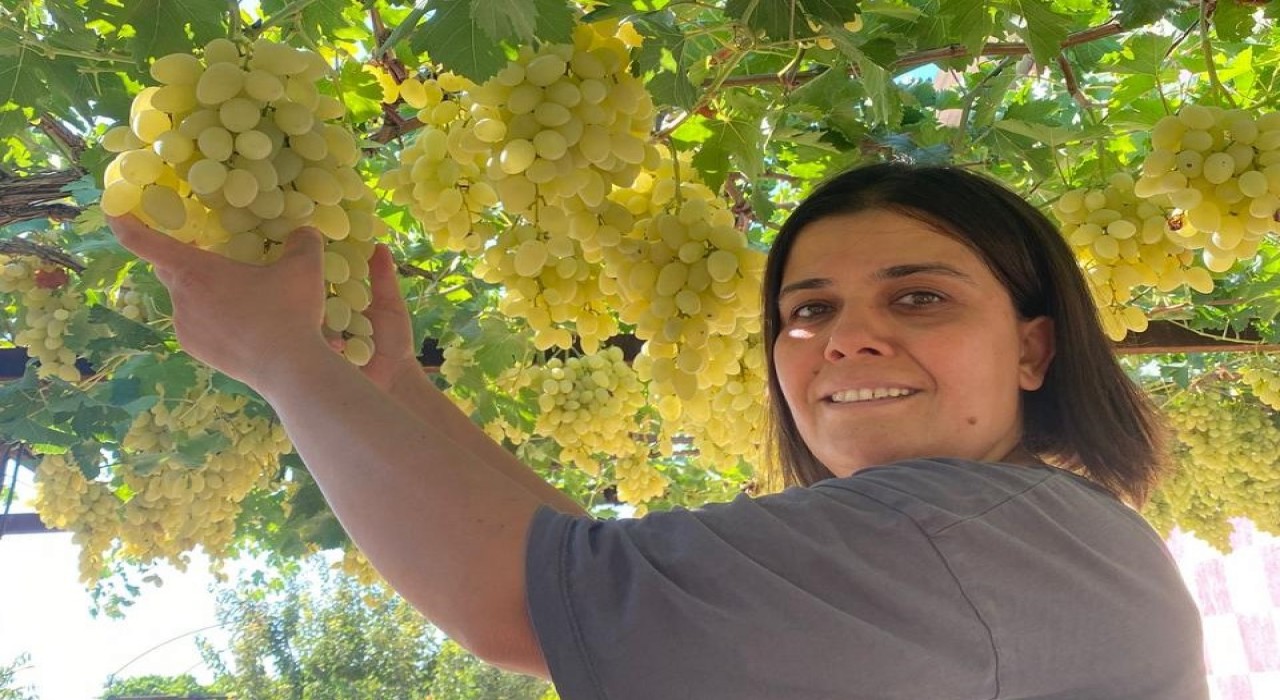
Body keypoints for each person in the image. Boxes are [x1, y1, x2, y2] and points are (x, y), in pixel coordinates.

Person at [109, 162, 1209, 699]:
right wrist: (396, 386)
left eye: (917, 297)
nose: (842, 340)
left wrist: (282, 361)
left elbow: (527, 608)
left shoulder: (967, 534)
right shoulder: (1014, 537)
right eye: (805, 310)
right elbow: (594, 589)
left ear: (1030, 348)